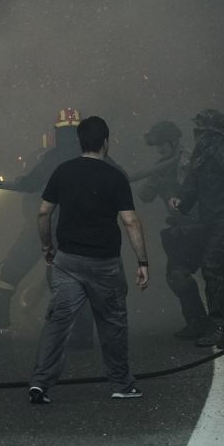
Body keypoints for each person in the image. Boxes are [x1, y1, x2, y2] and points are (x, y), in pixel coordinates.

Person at [28, 116, 149, 404]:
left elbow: (43, 213)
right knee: (112, 323)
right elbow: (130, 221)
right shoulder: (115, 176)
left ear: (80, 142)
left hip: (67, 260)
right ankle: (121, 384)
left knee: (58, 322)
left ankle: (41, 383)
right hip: (104, 263)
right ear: (106, 142)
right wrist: (142, 261)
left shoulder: (63, 171)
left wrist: (47, 245)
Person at [0, 108, 95, 349]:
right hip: (78, 229)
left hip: (47, 227)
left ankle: (1, 318)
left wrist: (23, 182)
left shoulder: (53, 157)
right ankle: (81, 334)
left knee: (17, 270)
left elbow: (32, 182)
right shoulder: (94, 155)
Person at [139, 120, 210, 339]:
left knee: (211, 276)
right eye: (157, 145)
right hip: (183, 231)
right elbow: (145, 196)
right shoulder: (163, 166)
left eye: (162, 144)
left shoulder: (191, 160)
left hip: (203, 228)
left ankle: (213, 325)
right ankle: (198, 324)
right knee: (177, 277)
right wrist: (156, 177)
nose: (159, 149)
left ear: (173, 141)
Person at [171, 109, 224, 349]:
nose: (197, 133)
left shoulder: (219, 149)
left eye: (200, 128)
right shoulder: (205, 151)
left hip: (223, 221)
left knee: (213, 267)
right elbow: (193, 182)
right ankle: (221, 327)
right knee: (216, 269)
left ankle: (221, 328)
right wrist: (181, 200)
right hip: (214, 221)